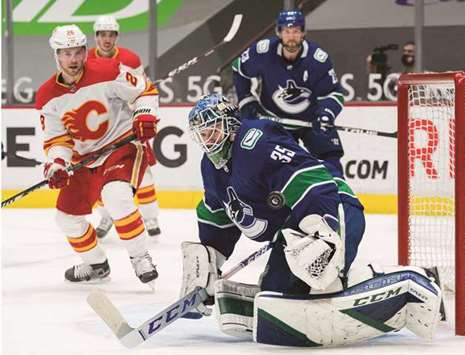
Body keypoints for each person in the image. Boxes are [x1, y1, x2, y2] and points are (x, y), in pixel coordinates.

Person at [178, 94, 443, 346]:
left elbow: (310, 179)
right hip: (295, 230)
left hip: (331, 206)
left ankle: (417, 278)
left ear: (231, 124)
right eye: (201, 134)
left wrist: (321, 229)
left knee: (321, 278)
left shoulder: (256, 142)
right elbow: (217, 215)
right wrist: (209, 266)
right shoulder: (210, 167)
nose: (207, 140)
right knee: (276, 292)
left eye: (212, 130)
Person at [35, 25, 159, 285]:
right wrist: (57, 163)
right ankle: (96, 264)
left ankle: (140, 257)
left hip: (120, 147)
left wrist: (144, 113)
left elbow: (144, 91)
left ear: (84, 51)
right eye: (66, 53)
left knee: (116, 196)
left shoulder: (108, 71)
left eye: (77, 52)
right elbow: (58, 139)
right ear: (56, 55)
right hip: (85, 161)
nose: (73, 60)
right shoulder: (47, 95)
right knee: (66, 218)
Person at [232, 9, 347, 175]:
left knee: (331, 165)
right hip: (274, 121)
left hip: (312, 121)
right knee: (273, 170)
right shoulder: (262, 52)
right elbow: (238, 69)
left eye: (296, 31)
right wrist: (247, 102)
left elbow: (334, 93)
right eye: (286, 31)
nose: (291, 36)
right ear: (279, 32)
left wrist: (326, 114)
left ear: (303, 33)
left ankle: (339, 199)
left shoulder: (317, 59)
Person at [87, 15, 162, 239]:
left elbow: (140, 90)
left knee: (143, 172)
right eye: (102, 35)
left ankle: (150, 217)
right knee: (98, 173)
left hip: (128, 122)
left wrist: (138, 105)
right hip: (101, 125)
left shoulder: (131, 59)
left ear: (116, 36)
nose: (107, 39)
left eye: (111, 35)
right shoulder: (86, 59)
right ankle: (106, 215)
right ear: (96, 36)